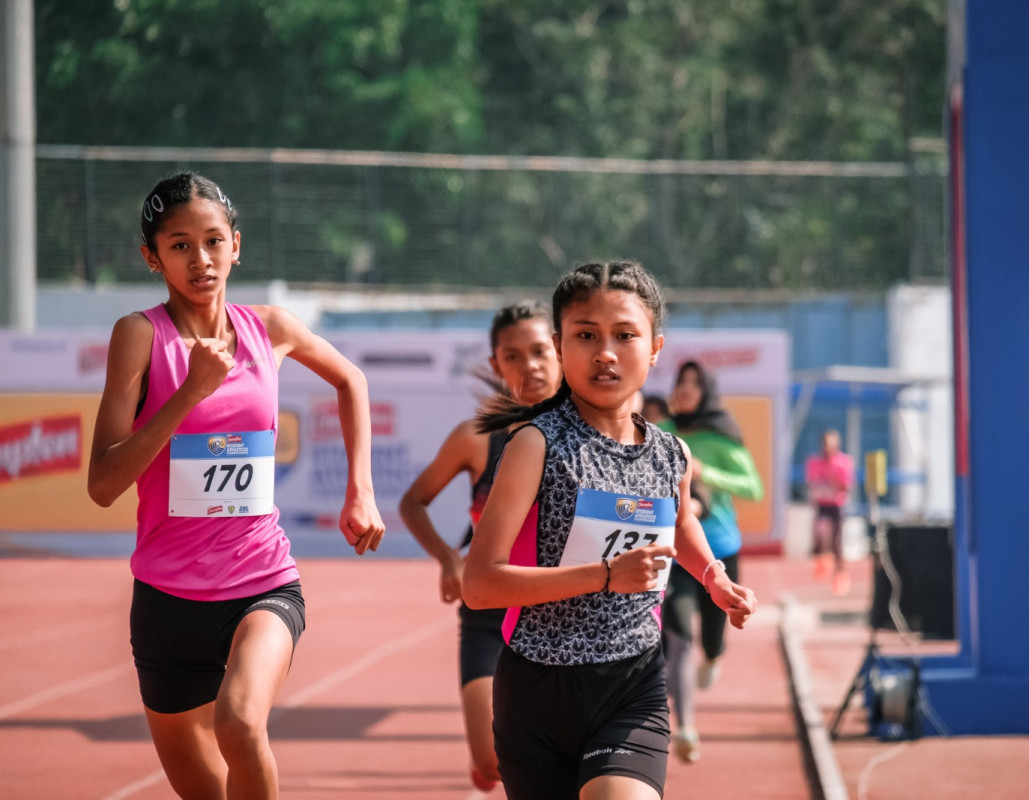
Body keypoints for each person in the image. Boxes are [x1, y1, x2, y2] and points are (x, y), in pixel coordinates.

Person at [87, 171, 385, 799]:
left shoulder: (270, 328)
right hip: (167, 601)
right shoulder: (139, 336)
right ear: (152, 256)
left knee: (242, 722)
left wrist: (360, 489)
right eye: (180, 245)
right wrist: (188, 393)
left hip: (261, 581)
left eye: (214, 241)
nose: (201, 260)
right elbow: (104, 482)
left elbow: (351, 380)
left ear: (236, 245)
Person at [462, 260, 758, 800]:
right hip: (536, 689)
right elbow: (480, 584)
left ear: (655, 348)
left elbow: (682, 520)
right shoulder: (535, 445)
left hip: (632, 682)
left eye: (625, 335)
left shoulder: (672, 453)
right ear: (558, 344)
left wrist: (714, 577)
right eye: (586, 336)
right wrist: (602, 576)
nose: (605, 352)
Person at [398, 301, 560, 792]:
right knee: (491, 764)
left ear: (559, 351)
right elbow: (413, 502)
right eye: (513, 356)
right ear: (495, 365)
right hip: (490, 611)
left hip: (562, 610)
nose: (528, 365)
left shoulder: (590, 433)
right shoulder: (476, 438)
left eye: (539, 351)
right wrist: (449, 558)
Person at [657, 360, 763, 763]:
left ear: (707, 392)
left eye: (693, 383)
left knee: (712, 637)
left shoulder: (723, 437)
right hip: (678, 553)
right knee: (679, 636)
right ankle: (684, 726)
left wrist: (706, 472)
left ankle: (715, 655)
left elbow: (753, 488)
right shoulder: (662, 433)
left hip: (721, 546)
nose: (684, 389)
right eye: (679, 381)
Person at [806, 429, 855, 595]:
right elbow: (812, 483)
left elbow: (846, 486)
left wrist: (832, 476)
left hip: (837, 505)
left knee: (837, 542)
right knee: (819, 533)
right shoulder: (814, 462)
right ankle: (822, 559)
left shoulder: (843, 462)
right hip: (822, 504)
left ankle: (840, 575)